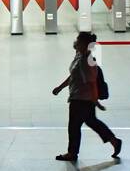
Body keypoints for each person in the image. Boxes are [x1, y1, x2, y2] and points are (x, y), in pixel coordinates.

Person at [52, 31, 123, 162]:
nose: (76, 42)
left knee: (74, 126)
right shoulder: (79, 56)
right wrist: (60, 87)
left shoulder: (88, 61)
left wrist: (96, 102)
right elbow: (73, 75)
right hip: (79, 97)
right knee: (92, 123)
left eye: (78, 40)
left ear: (84, 44)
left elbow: (92, 83)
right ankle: (114, 141)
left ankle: (72, 153)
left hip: (82, 100)